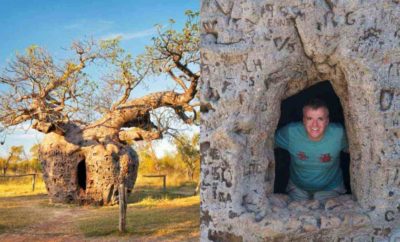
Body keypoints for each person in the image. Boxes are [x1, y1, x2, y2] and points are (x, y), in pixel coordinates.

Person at [275, 98, 348, 202]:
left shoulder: (338, 134)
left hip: (330, 189)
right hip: (298, 188)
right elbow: (266, 143)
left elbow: (356, 150)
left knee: (327, 216)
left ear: (327, 121)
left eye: (320, 119)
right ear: (303, 120)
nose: (315, 125)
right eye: (309, 118)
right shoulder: (291, 132)